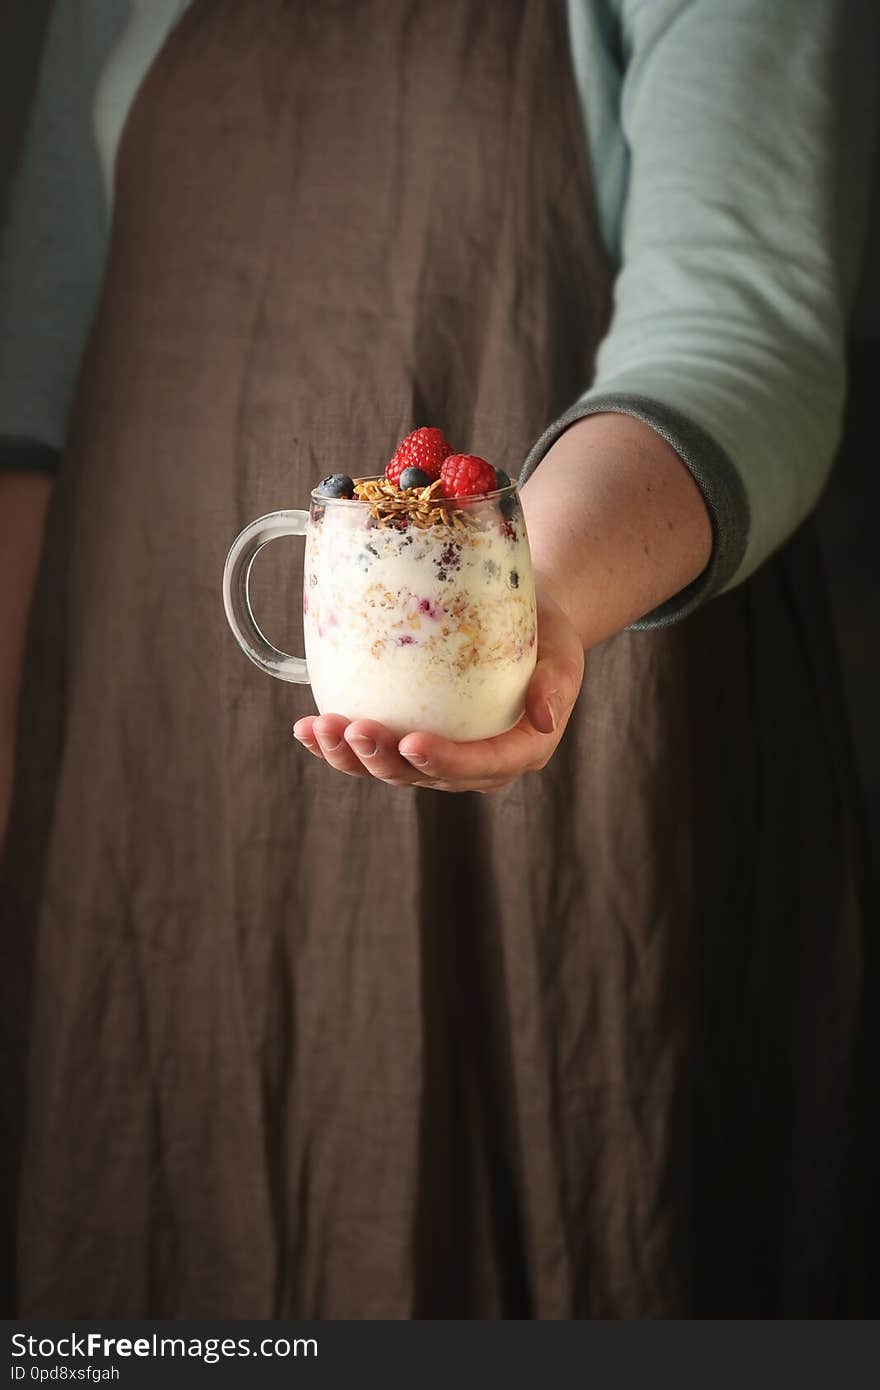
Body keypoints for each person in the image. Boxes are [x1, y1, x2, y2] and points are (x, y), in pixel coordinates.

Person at [0, 0, 876, 1318]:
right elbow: (31, 382)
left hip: (574, 776)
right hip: (145, 782)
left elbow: (741, 333)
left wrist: (536, 612)